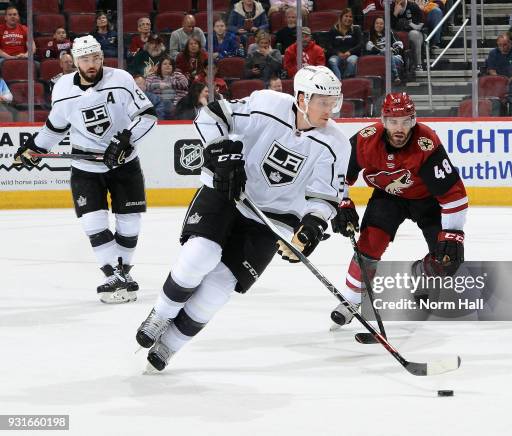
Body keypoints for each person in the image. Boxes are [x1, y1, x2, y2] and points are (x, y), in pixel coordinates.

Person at [134, 65, 350, 372]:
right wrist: (223, 154)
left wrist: (313, 225)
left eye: (333, 102)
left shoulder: (336, 143)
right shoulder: (267, 103)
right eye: (323, 102)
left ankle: (170, 344)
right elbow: (213, 115)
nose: (330, 109)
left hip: (272, 220)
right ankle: (160, 314)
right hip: (228, 192)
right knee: (200, 255)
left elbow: (325, 196)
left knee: (219, 288)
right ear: (302, 98)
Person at [12, 35, 157, 303]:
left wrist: (125, 141)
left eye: (95, 58)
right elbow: (55, 128)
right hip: (85, 167)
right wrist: (34, 148)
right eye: (85, 59)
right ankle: (114, 275)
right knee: (93, 222)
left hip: (124, 164)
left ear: (102, 57)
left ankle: (120, 273)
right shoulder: (63, 88)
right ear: (75, 61)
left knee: (130, 221)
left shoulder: (121, 79)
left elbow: (147, 116)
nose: (91, 64)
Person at [329, 92, 468, 327]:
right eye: (393, 121)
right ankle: (351, 300)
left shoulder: (426, 142)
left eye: (406, 121)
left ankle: (421, 272)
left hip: (427, 200)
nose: (399, 128)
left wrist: (454, 234)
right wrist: (341, 202)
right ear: (383, 121)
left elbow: (452, 193)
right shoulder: (365, 140)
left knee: (447, 259)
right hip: (387, 198)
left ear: (414, 120)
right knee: (369, 246)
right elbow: (337, 173)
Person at [486, 33, 512, 116]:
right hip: (498, 82)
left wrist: (509, 80)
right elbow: (491, 70)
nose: (502, 47)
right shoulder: (493, 53)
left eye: (504, 45)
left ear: (510, 43)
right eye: (500, 45)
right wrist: (500, 80)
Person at [365, 17, 405, 84]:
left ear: (384, 25)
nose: (379, 25)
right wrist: (383, 51)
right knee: (387, 53)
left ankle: (389, 84)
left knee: (396, 59)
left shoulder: (389, 33)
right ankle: (395, 76)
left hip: (392, 56)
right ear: (374, 24)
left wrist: (392, 51)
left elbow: (399, 45)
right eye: (377, 23)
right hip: (377, 57)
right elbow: (368, 47)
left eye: (381, 24)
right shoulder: (369, 34)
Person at [328, 8, 363, 80]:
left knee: (352, 60)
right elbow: (329, 46)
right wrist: (338, 53)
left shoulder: (356, 29)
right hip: (337, 55)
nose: (348, 18)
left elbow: (360, 44)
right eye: (346, 16)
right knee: (332, 61)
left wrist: (350, 52)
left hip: (352, 55)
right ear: (341, 17)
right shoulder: (334, 30)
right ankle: (338, 81)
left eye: (350, 17)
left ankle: (346, 80)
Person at [392, 0, 426, 72]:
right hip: (397, 35)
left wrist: (408, 24)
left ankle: (418, 65)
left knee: (413, 34)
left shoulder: (413, 6)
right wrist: (395, 13)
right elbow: (389, 27)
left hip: (417, 33)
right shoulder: (392, 7)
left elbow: (421, 25)